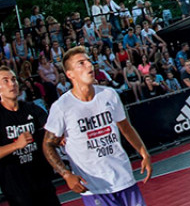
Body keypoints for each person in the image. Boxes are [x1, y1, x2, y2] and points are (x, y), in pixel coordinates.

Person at [42, 46, 152, 205]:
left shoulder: (109, 94)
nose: (89, 65)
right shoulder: (62, 107)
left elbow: (126, 128)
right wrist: (66, 174)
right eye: (81, 63)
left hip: (124, 178)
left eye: (88, 61)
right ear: (70, 74)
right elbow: (47, 144)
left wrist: (144, 153)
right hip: (95, 187)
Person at [0, 66, 60, 206]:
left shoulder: (32, 108)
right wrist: (15, 145)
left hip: (42, 180)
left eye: (14, 79)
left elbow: (52, 130)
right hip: (16, 188)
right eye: (6, 80)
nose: (12, 84)